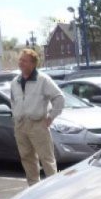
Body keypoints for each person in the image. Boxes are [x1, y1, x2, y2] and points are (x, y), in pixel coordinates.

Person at [10, 48, 64, 186]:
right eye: (20, 60)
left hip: (38, 124)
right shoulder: (15, 82)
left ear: (33, 63)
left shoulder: (43, 80)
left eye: (24, 60)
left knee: (47, 159)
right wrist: (15, 118)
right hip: (20, 125)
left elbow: (59, 98)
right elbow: (13, 102)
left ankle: (54, 189)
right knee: (27, 159)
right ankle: (33, 189)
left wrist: (51, 117)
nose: (21, 63)